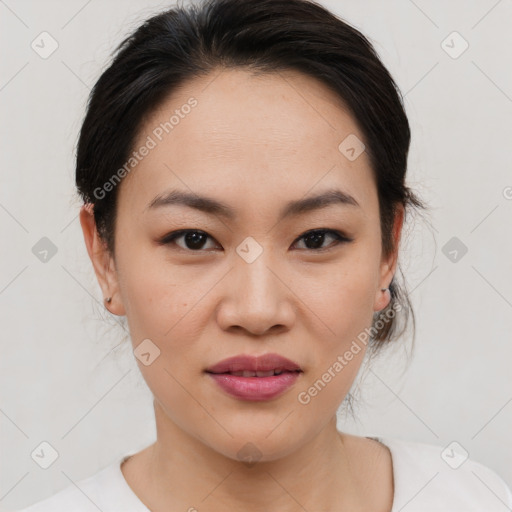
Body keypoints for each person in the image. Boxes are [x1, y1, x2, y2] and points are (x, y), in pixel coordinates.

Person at [17, 0, 512, 510]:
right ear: (104, 255)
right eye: (193, 239)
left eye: (316, 238)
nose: (257, 311)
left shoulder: (473, 497)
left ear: (389, 248)